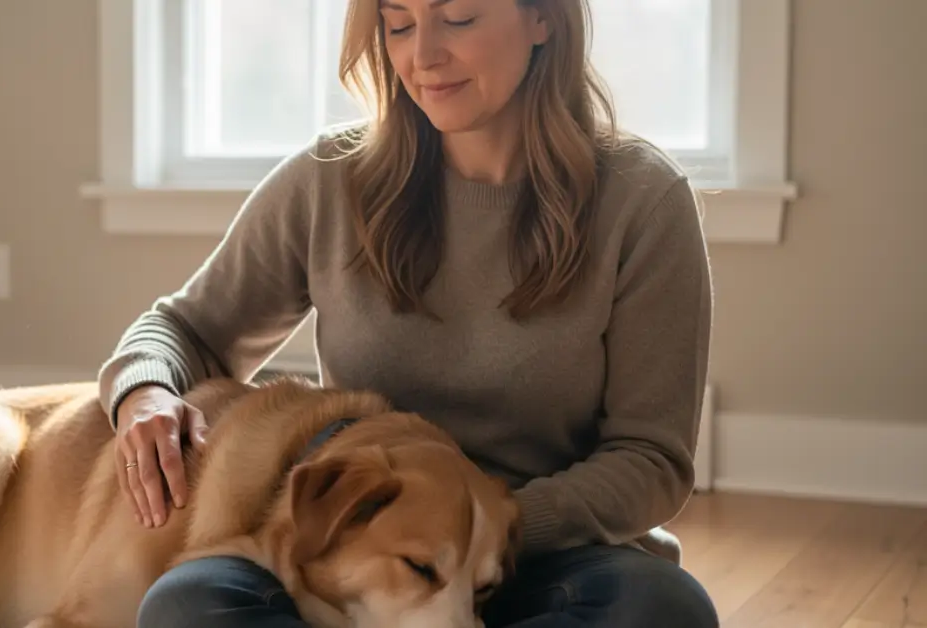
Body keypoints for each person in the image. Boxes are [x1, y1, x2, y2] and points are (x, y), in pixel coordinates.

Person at [97, 0, 718, 625]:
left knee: (661, 607)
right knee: (188, 605)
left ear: (543, 19)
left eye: (459, 18)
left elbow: (652, 459)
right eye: (398, 25)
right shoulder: (330, 182)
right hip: (360, 567)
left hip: (545, 558)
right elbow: (184, 329)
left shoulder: (644, 201)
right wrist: (143, 392)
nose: (421, 57)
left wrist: (489, 530)